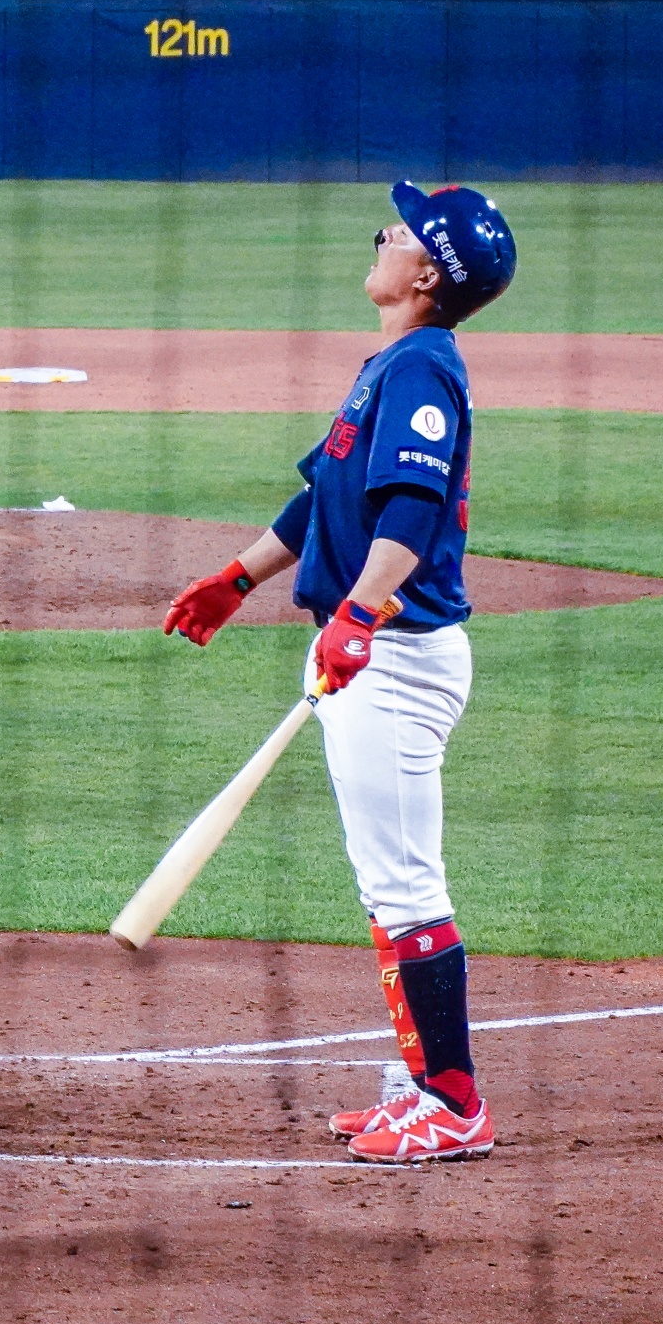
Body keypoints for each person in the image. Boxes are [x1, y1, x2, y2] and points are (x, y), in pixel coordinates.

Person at [162, 181, 516, 1166]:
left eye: (401, 231)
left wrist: (359, 613)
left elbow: (412, 507)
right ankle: (422, 1085)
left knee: (403, 883)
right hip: (374, 656)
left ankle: (452, 1105)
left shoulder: (422, 367)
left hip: (393, 659)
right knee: (383, 880)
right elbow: (322, 495)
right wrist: (237, 578)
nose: (382, 234)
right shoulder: (392, 363)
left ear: (428, 275)